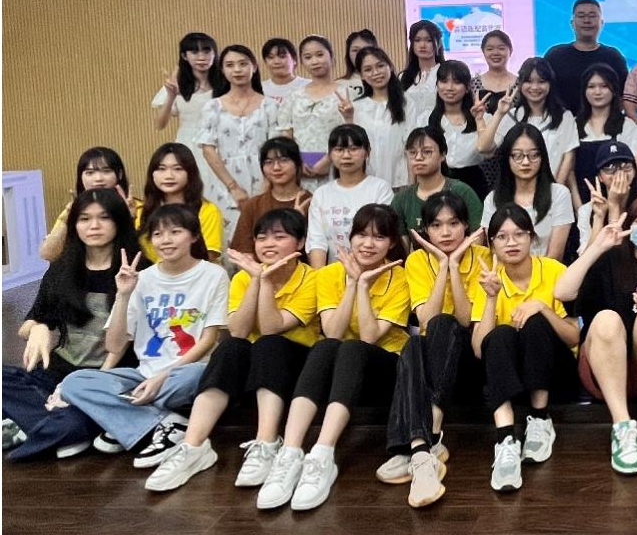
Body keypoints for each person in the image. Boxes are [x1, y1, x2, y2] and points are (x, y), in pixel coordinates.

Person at [143, 208, 318, 491]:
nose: (268, 244)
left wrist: (264, 281)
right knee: (231, 347)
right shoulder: (243, 278)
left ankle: (266, 443)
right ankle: (193, 446)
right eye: (261, 238)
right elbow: (237, 331)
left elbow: (272, 327)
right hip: (254, 366)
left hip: (298, 364)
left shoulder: (311, 278)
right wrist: (256, 280)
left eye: (279, 237)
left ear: (300, 242)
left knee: (269, 344)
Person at [257, 204, 410, 511]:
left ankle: (323, 454)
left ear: (392, 243)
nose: (368, 244)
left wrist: (362, 286)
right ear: (350, 237)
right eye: (361, 235)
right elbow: (333, 332)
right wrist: (351, 284)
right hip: (342, 367)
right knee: (326, 346)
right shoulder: (328, 274)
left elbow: (368, 337)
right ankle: (290, 453)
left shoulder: (400, 278)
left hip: (386, 369)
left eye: (379, 237)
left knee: (353, 347)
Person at [59, 204, 229, 467]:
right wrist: (124, 294)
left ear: (194, 236)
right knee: (74, 383)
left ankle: (124, 420)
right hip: (142, 375)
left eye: (175, 232)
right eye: (158, 234)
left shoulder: (213, 275)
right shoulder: (142, 279)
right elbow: (114, 344)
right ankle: (165, 424)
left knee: (195, 377)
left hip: (187, 372)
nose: (166, 240)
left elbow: (208, 340)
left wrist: (163, 376)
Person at [4, 190, 142, 460]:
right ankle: (52, 423)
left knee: (74, 424)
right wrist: (39, 328)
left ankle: (34, 425)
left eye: (104, 217)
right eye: (84, 219)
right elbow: (30, 322)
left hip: (108, 377)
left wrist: (79, 389)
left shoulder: (138, 269)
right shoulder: (63, 268)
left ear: (119, 221)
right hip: (58, 373)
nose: (94, 226)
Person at [556, 196, 637, 473]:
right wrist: (598, 247)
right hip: (603, 372)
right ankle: (622, 427)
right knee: (606, 318)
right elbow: (562, 292)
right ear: (629, 225)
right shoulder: (609, 259)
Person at [381, 192, 488, 506]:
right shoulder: (417, 261)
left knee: (445, 323)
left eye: (453, 223)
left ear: (466, 225)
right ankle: (422, 451)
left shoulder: (483, 256)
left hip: (469, 359)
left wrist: (455, 266)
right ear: (426, 230)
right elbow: (425, 319)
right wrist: (443, 266)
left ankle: (424, 440)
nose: (446, 232)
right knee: (415, 341)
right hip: (433, 360)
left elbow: (466, 319)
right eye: (437, 225)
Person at [471, 206, 580, 492]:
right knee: (499, 334)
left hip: (556, 374)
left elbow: (573, 337)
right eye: (502, 236)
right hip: (510, 379)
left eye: (519, 234)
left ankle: (540, 420)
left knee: (535, 321)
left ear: (531, 237)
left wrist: (542, 307)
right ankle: (506, 438)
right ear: (491, 244)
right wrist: (491, 297)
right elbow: (480, 350)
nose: (511, 242)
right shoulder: (487, 279)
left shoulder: (554, 270)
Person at [199, 44, 280, 240]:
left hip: (266, 180)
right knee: (229, 239)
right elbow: (208, 149)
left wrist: (266, 186)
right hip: (224, 183)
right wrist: (233, 188)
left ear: (254, 66)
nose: (237, 70)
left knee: (266, 235)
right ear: (222, 70)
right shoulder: (212, 107)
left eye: (243, 64)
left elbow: (277, 149)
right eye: (230, 65)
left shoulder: (270, 105)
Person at [479, 57, 578, 188]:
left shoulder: (564, 116)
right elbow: (484, 148)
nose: (535, 87)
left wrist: (556, 190)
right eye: (529, 81)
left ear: (550, 84)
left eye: (541, 81)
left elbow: (568, 157)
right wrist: (499, 113)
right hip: (516, 191)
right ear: (520, 84)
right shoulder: (512, 116)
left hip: (551, 189)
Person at [480, 123, 575, 260]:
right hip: (504, 272)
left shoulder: (559, 194)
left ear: (542, 157)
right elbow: (494, 251)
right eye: (518, 155)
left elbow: (555, 256)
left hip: (547, 271)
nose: (526, 162)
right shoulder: (492, 199)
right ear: (507, 158)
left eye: (533, 155)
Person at [306, 125, 396, 266]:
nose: (346, 155)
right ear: (330, 154)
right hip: (333, 274)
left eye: (353, 149)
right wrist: (320, 276)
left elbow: (383, 235)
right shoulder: (321, 194)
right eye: (339, 149)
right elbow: (316, 241)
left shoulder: (380, 189)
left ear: (367, 152)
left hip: (372, 270)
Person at [153, 32, 222, 200]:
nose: (201, 57)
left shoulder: (225, 83)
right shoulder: (176, 83)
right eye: (194, 52)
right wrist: (171, 95)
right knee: (191, 194)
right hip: (188, 145)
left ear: (215, 54)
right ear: (184, 56)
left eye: (206, 51)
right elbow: (159, 124)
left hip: (221, 144)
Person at [277, 35, 348, 191]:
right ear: (302, 62)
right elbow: (286, 134)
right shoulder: (294, 96)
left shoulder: (345, 93)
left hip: (336, 166)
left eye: (320, 55)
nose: (315, 61)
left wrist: (328, 160)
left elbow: (349, 131)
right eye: (308, 57)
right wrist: (296, 161)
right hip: (299, 170)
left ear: (331, 57)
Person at [40, 147, 132, 262]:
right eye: (90, 173)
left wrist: (128, 218)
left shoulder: (136, 207)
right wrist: (69, 218)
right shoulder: (72, 209)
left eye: (106, 171)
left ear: (120, 174)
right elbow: (47, 254)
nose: (98, 179)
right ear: (81, 177)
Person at [137, 143, 223, 263]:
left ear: (190, 173)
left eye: (178, 169)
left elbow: (208, 255)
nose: (169, 176)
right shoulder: (141, 211)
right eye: (161, 169)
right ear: (152, 174)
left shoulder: (207, 210)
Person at [542, 0, 629, 113]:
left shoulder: (614, 57)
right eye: (581, 16)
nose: (587, 20)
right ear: (572, 23)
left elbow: (624, 96)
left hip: (604, 122)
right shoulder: (555, 55)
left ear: (602, 23)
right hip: (561, 122)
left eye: (592, 16)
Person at [350, 46, 421, 188]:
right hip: (366, 184)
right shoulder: (357, 107)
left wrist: (412, 185)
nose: (376, 73)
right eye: (368, 69)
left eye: (380, 66)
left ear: (390, 66)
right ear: (361, 75)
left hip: (400, 183)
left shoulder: (407, 103)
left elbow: (412, 146)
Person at [391, 127, 483, 233]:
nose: (418, 157)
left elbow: (478, 235)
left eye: (427, 152)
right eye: (412, 152)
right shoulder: (401, 199)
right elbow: (399, 240)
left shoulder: (462, 192)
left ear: (442, 155)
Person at [229, 137, 311, 254]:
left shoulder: (312, 202)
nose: (276, 167)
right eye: (268, 162)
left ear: (297, 164)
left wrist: (298, 221)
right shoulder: (253, 205)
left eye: (284, 160)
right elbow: (243, 252)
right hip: (259, 266)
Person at [428, 60, 489, 198]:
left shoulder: (483, 118)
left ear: (467, 87)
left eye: (456, 82)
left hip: (473, 183)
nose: (449, 87)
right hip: (437, 180)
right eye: (444, 81)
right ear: (437, 85)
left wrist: (480, 120)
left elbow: (488, 151)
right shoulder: (425, 118)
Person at [573, 64, 632, 204]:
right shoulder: (573, 124)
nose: (597, 92)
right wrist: (579, 208)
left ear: (614, 90)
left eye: (604, 86)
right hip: (582, 200)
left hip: (619, 199)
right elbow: (570, 171)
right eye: (591, 87)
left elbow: (631, 169)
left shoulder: (626, 125)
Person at [575, 140, 637, 254]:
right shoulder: (587, 210)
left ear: (634, 171)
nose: (619, 173)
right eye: (610, 167)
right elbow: (586, 259)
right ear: (600, 177)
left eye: (625, 166)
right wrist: (599, 217)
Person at [470, 29, 519, 118]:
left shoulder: (521, 84)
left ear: (510, 51)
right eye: (490, 49)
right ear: (483, 52)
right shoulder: (472, 84)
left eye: (501, 48)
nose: (495, 53)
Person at [400, 20, 446, 115]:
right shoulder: (403, 77)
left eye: (429, 40)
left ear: (439, 43)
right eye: (417, 40)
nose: (422, 45)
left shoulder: (446, 74)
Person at [259, 38, 309, 106]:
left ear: (294, 59)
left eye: (282, 57)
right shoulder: (259, 90)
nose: (276, 61)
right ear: (265, 62)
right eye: (270, 57)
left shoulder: (308, 86)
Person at [336, 29, 379, 101]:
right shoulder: (339, 85)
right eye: (355, 50)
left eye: (366, 49)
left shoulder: (386, 82)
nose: (360, 54)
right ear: (348, 54)